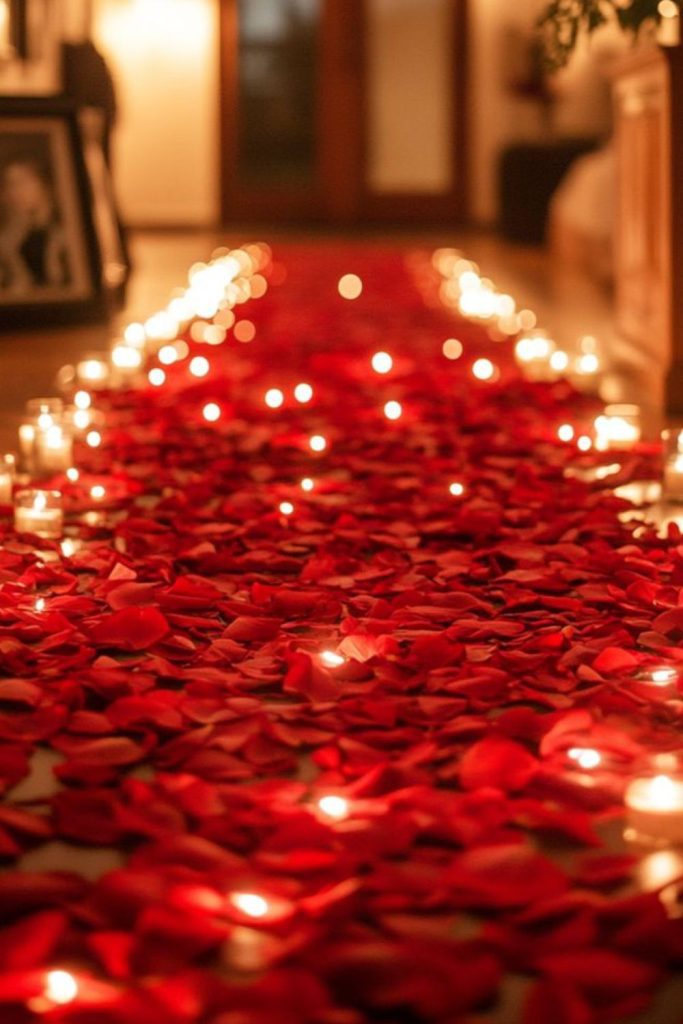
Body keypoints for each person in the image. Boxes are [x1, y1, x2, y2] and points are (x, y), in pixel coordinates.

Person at [0, 155, 70, 294]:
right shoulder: (14, 235)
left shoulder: (68, 230)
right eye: (10, 185)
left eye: (23, 182)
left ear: (45, 183)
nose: (16, 192)